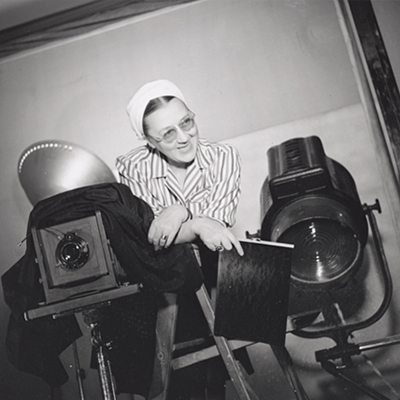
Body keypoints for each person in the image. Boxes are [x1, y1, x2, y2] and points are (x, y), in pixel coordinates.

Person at [116, 79, 246, 399]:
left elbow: (215, 231)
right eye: (167, 133)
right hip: (160, 290)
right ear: (147, 140)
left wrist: (181, 211)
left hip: (212, 285)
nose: (184, 137)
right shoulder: (131, 167)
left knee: (214, 383)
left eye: (186, 122)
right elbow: (153, 239)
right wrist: (196, 221)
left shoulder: (224, 157)